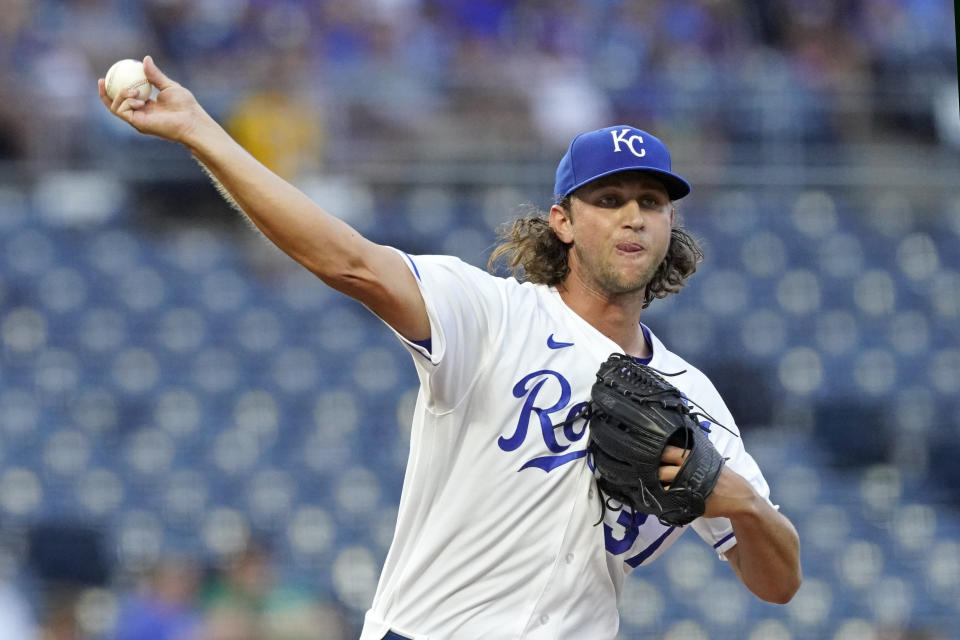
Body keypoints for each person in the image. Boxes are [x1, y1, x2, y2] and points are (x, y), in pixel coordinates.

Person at [99, 56, 802, 640]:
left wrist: (744, 506)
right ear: (561, 220)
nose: (632, 217)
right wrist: (200, 132)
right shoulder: (491, 314)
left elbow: (777, 583)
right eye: (609, 198)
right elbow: (348, 262)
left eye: (651, 202)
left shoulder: (693, 401)